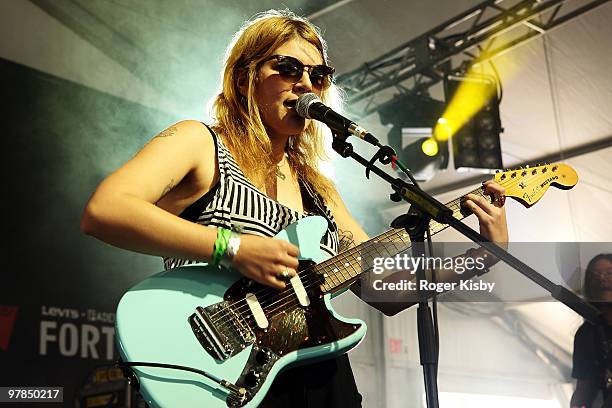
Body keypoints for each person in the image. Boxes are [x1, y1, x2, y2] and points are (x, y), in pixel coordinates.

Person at [80, 9, 509, 407]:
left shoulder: (319, 190)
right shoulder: (200, 142)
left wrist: (480, 260)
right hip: (223, 369)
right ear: (247, 75)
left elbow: (387, 291)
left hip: (319, 376)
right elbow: (106, 209)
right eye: (287, 68)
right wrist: (233, 248)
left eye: (318, 75)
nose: (305, 83)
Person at [571, 254, 612, 408]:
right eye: (595, 275)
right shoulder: (586, 334)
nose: (602, 278)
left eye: (609, 273)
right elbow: (584, 388)